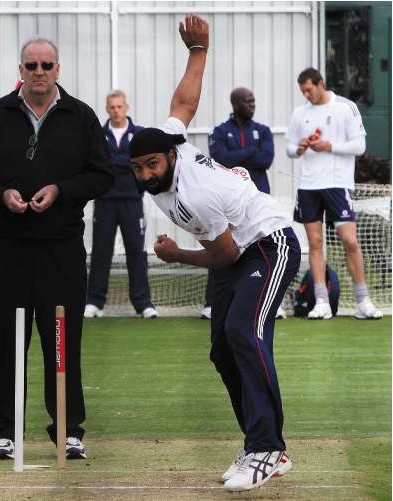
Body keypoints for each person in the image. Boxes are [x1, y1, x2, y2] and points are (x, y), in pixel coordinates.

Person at [129, 14, 299, 492]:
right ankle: (259, 445)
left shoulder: (192, 198)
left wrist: (177, 256)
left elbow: (222, 256)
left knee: (244, 331)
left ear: (171, 158)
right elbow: (185, 100)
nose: (146, 175)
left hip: (269, 242)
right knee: (223, 350)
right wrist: (198, 51)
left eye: (152, 165)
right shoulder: (172, 141)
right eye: (139, 167)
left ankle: (268, 448)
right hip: (238, 249)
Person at [0, 37, 113, 460]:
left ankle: (67, 429)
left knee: (62, 338)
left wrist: (61, 191)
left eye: (46, 64)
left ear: (58, 68)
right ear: (21, 69)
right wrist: (0, 194)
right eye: (32, 65)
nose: (39, 71)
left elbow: (102, 175)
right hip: (8, 248)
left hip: (61, 249)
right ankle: (4, 433)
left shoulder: (80, 116)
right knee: (6, 340)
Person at [286, 67, 382, 320]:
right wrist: (300, 148)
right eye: (303, 91)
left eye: (309, 89)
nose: (306, 95)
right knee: (315, 243)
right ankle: (321, 301)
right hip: (308, 186)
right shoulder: (300, 113)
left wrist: (329, 146)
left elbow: (359, 146)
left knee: (350, 241)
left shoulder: (345, 107)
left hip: (338, 184)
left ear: (321, 84)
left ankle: (363, 301)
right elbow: (289, 148)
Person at [203, 88, 285, 320]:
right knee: (223, 247)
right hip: (228, 203)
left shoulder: (263, 131)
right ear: (235, 103)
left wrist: (237, 155)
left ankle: (272, 302)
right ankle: (212, 303)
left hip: (258, 203)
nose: (252, 105)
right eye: (248, 101)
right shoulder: (220, 131)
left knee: (264, 250)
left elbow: (266, 159)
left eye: (254, 101)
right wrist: (250, 152)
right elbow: (221, 159)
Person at [84, 90, 157, 319]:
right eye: (112, 107)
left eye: (119, 106)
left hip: (132, 201)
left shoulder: (139, 134)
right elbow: (97, 162)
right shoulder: (97, 134)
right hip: (105, 201)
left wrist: (118, 163)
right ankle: (95, 302)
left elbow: (145, 162)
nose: (116, 111)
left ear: (127, 108)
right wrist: (126, 163)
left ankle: (143, 304)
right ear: (107, 109)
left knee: (136, 251)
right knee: (101, 252)